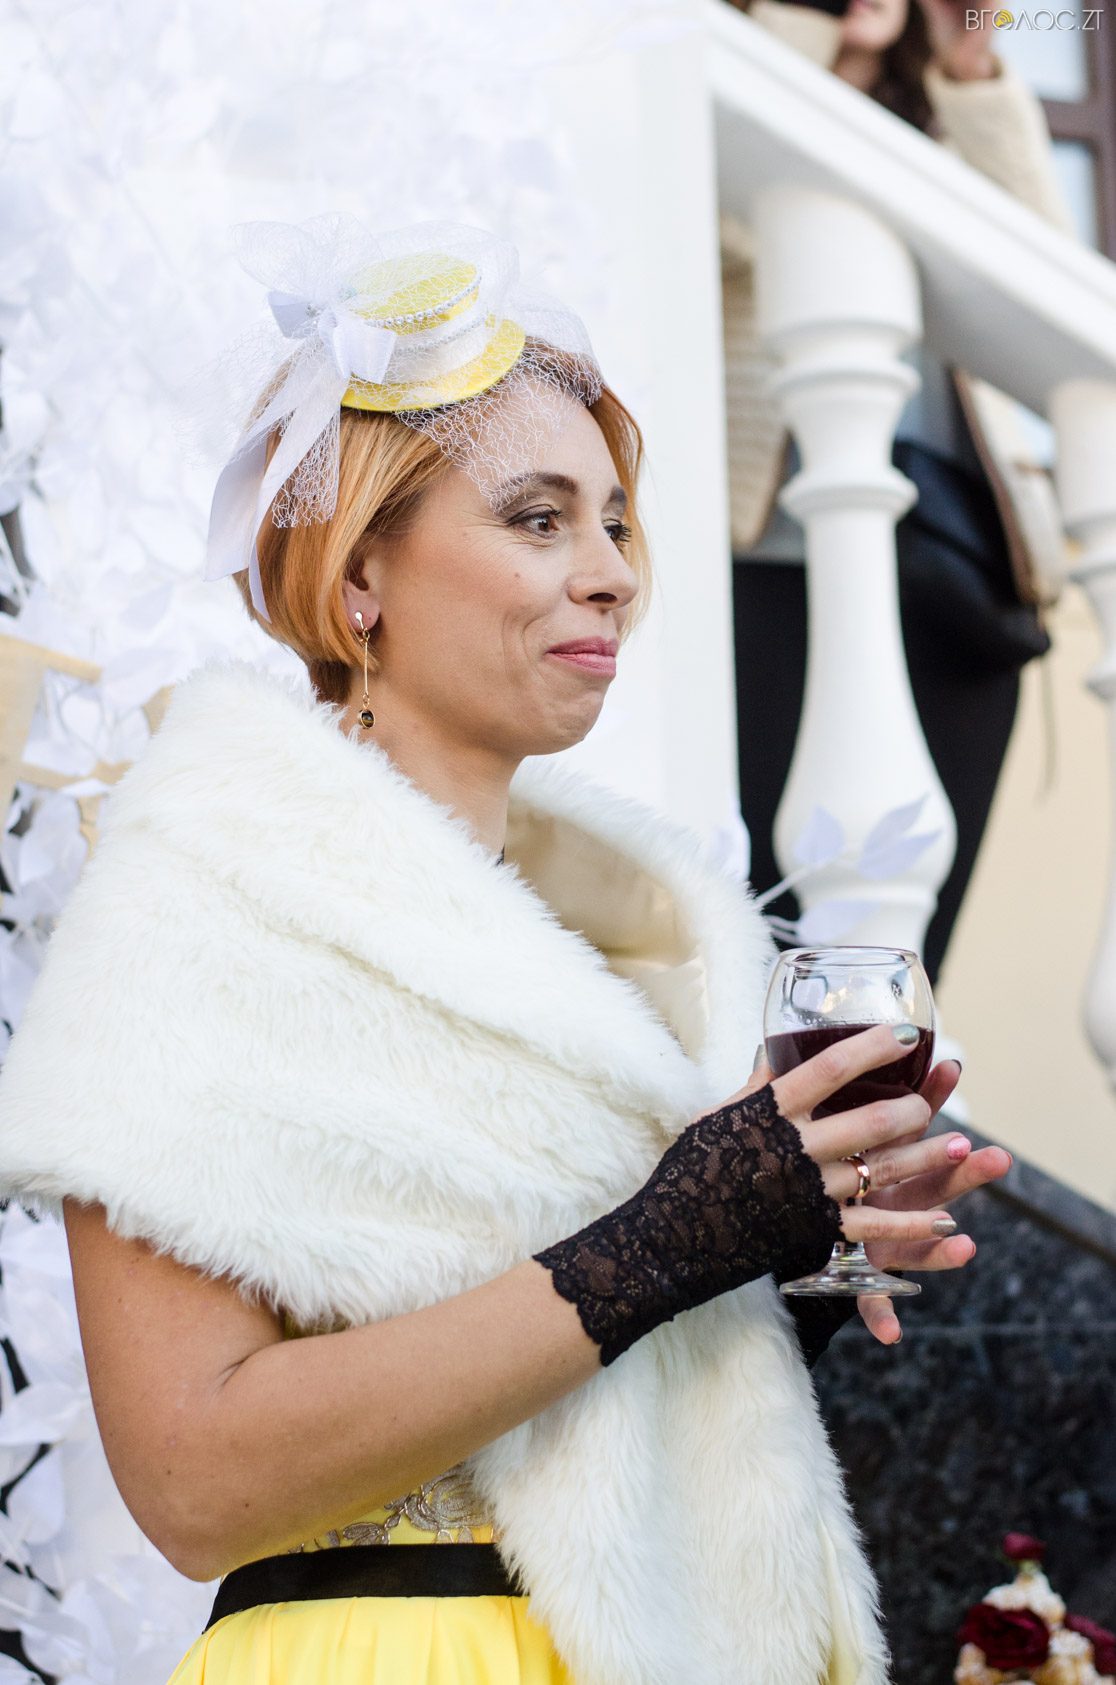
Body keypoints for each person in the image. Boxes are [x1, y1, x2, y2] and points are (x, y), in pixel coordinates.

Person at [0, 219, 1011, 1685]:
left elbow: (597, 1419)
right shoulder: (199, 902)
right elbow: (191, 1479)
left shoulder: (647, 958)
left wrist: (782, 1254)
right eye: (538, 519)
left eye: (616, 522)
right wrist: (675, 1235)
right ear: (361, 571)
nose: (610, 574)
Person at [724, 0, 1075, 982]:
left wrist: (971, 74)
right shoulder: (724, 76)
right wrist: (799, 35)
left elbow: (1046, 279)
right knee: (767, 921)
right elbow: (709, 230)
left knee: (912, 937)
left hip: (962, 579)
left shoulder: (941, 128)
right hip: (769, 563)